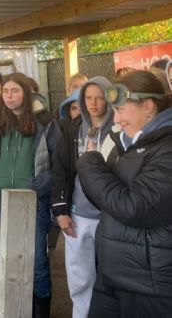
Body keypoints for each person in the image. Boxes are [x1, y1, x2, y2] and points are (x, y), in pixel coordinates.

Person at [77, 70, 172, 317]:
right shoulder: (128, 143)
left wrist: (89, 163)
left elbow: (133, 207)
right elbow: (104, 200)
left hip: (149, 286)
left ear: (148, 107)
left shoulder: (166, 147)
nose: (116, 120)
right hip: (112, 274)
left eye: (120, 110)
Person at [0, 72, 57, 318]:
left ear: (26, 94)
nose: (9, 96)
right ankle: (17, 309)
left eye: (15, 91)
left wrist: (37, 186)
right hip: (4, 200)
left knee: (37, 262)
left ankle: (41, 312)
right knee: (10, 260)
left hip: (34, 201)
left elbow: (58, 164)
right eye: (6, 91)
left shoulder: (45, 122)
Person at [51, 77, 114, 318]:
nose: (93, 103)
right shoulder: (73, 129)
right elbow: (60, 170)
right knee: (79, 278)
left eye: (99, 97)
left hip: (109, 216)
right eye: (88, 98)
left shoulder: (119, 129)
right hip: (78, 215)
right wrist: (61, 211)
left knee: (110, 278)